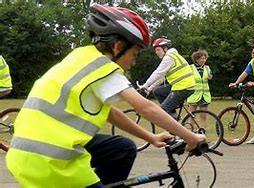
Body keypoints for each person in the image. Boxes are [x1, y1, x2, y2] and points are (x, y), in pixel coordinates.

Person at [6, 5, 205, 187]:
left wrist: (150, 137)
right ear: (118, 46)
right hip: (50, 161)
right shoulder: (105, 69)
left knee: (123, 148)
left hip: (26, 153)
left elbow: (111, 113)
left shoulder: (81, 57)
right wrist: (191, 137)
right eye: (134, 54)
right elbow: (146, 107)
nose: (134, 62)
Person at [139, 37, 196, 118]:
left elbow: (158, 73)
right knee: (157, 91)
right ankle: (173, 115)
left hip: (184, 88)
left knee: (163, 110)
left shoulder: (169, 57)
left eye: (158, 50)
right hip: (179, 86)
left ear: (165, 48)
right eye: (155, 50)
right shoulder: (172, 55)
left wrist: (145, 85)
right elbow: (161, 77)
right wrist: (149, 89)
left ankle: (174, 124)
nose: (156, 52)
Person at [187, 50, 212, 128]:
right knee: (191, 116)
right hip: (193, 95)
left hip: (204, 96)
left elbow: (210, 76)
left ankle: (202, 132)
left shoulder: (207, 68)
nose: (204, 60)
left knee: (203, 116)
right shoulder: (190, 68)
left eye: (205, 58)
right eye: (202, 58)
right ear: (196, 59)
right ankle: (189, 132)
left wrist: (210, 77)